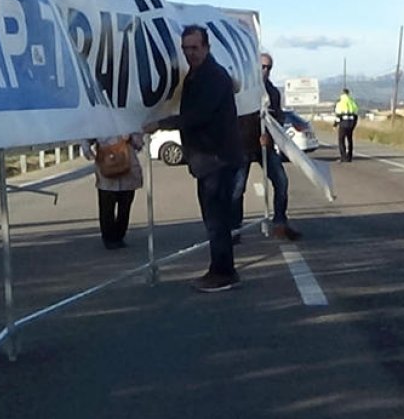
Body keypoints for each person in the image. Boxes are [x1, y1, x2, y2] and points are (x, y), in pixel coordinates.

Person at [144, 25, 244, 293]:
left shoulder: (211, 75)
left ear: (206, 47)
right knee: (215, 220)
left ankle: (223, 273)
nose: (190, 53)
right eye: (186, 48)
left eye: (195, 48)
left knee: (216, 221)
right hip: (209, 159)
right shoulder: (198, 74)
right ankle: (220, 269)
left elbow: (198, 115)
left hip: (217, 159)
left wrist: (159, 124)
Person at [232, 53, 300, 241]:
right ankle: (234, 229)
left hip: (265, 146)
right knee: (237, 189)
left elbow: (277, 118)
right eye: (262, 66)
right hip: (243, 146)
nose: (265, 71)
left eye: (269, 68)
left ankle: (280, 223)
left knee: (281, 182)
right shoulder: (242, 88)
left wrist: (268, 137)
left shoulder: (273, 92)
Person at [81, 134, 144, 250]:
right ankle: (109, 238)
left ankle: (119, 236)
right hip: (106, 169)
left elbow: (139, 144)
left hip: (127, 171)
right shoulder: (99, 122)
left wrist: (131, 138)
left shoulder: (127, 121)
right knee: (106, 207)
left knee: (125, 207)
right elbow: (86, 139)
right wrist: (90, 154)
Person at [334, 89, 359, 163]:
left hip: (343, 124)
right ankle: (349, 157)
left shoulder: (340, 103)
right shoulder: (352, 102)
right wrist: (354, 123)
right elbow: (356, 114)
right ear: (348, 94)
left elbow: (338, 116)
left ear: (342, 94)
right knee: (350, 140)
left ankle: (343, 157)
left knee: (341, 140)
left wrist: (335, 124)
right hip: (351, 124)